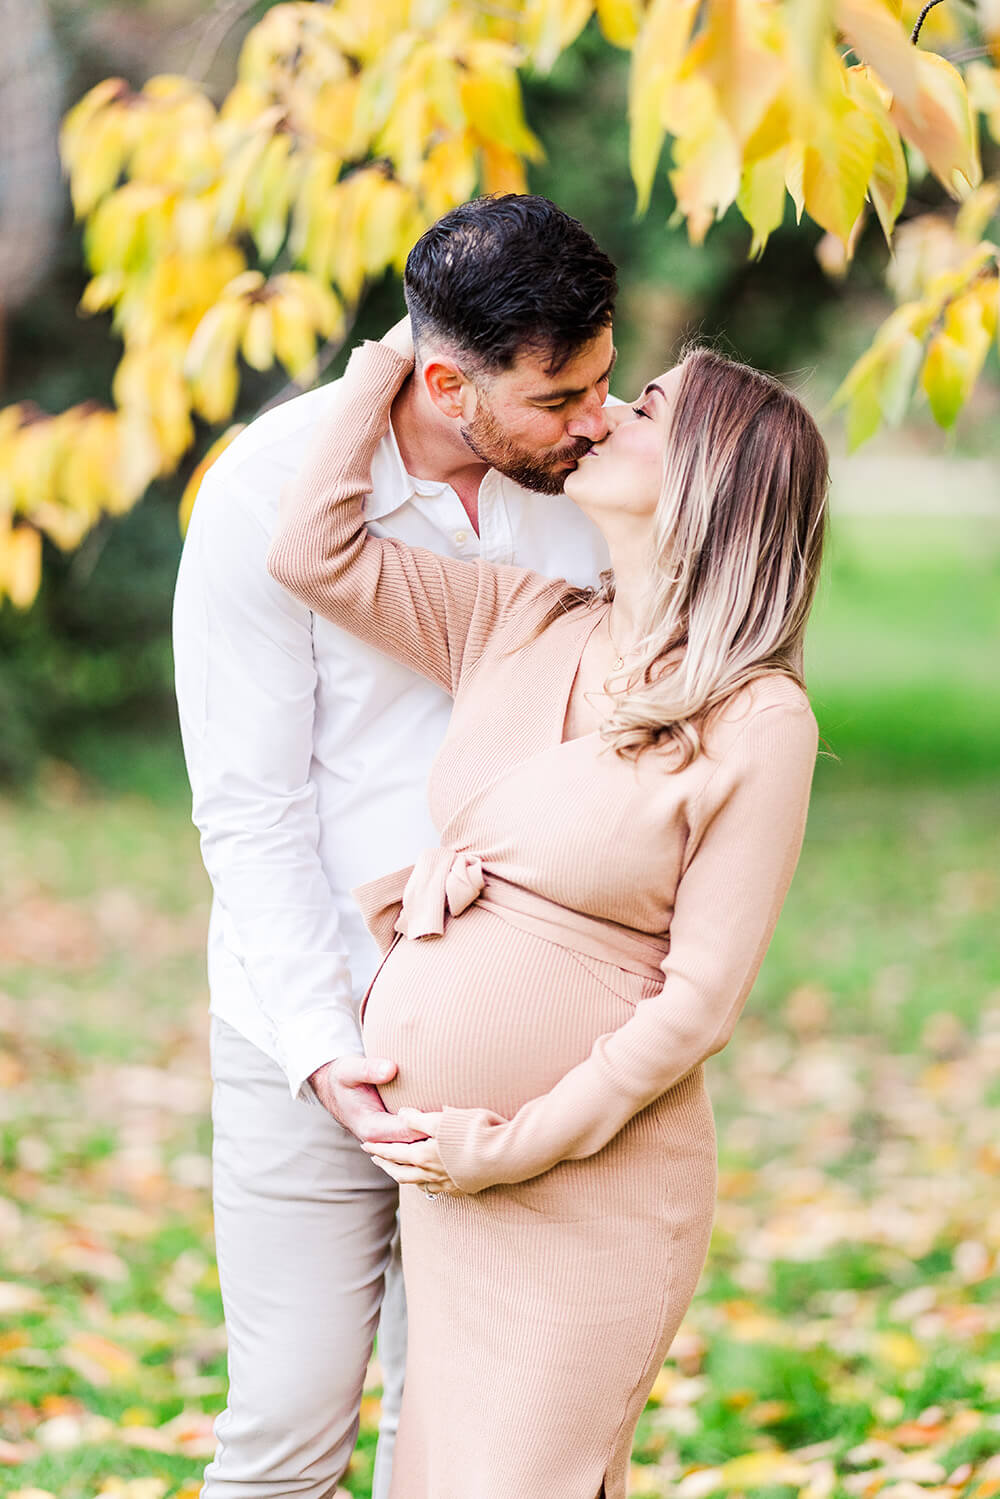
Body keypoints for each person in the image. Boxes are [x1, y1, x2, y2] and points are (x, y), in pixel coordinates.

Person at [268, 316, 829, 1499]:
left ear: (709, 481)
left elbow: (696, 1005)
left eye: (652, 408)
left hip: (589, 1183)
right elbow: (311, 553)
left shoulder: (756, 719)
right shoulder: (514, 619)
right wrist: (401, 358)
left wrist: (506, 1146)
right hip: (457, 1189)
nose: (607, 413)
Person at [172, 195, 617, 1499]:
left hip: (512, 1039)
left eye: (601, 380)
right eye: (559, 397)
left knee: (469, 1441)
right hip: (305, 1025)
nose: (594, 418)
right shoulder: (269, 491)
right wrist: (324, 1045)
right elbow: (250, 809)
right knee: (289, 1423)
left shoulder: (595, 488)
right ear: (440, 379)